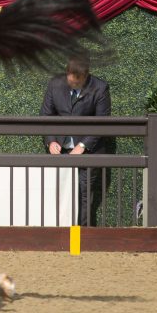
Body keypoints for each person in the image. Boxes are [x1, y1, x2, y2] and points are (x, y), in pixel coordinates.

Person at [41, 54, 111, 227]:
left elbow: (102, 122)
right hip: (60, 151)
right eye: (70, 78)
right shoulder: (55, 84)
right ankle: (58, 235)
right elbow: (45, 115)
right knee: (56, 192)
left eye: (77, 80)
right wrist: (51, 141)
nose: (72, 83)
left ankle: (83, 236)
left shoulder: (100, 88)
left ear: (86, 76)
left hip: (88, 152)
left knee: (83, 192)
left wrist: (82, 146)